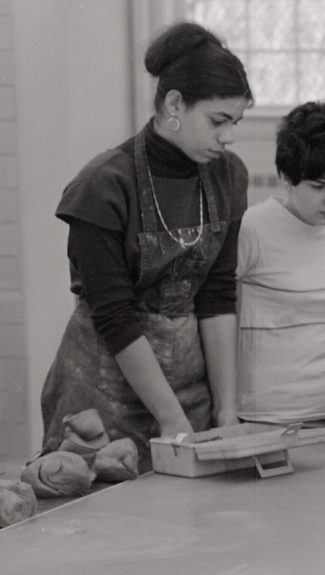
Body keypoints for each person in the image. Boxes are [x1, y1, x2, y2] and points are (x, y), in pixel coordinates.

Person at [40, 22, 253, 471]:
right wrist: (170, 417)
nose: (229, 137)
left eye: (235, 123)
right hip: (102, 397)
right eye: (218, 121)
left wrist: (226, 412)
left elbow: (217, 297)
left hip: (189, 393)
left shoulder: (227, 176)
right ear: (174, 103)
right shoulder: (102, 186)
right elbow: (115, 315)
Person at [236, 99, 325, 438]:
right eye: (319, 186)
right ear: (286, 178)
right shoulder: (252, 228)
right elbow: (215, 319)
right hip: (270, 419)